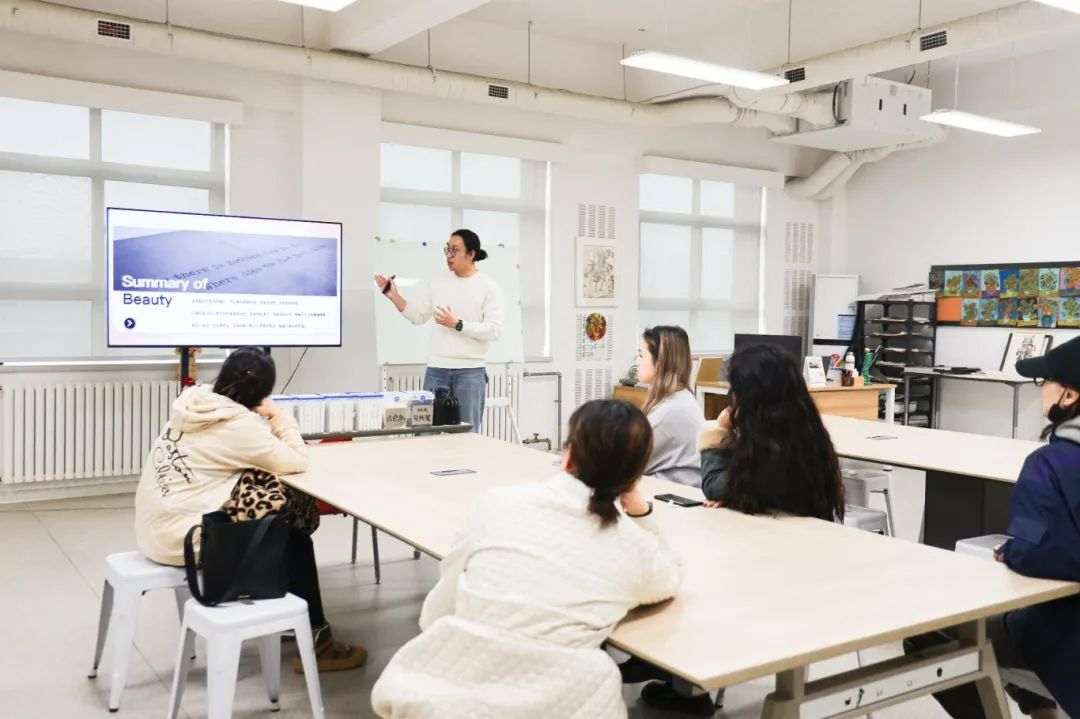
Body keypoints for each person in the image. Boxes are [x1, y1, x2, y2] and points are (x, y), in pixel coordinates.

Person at [370, 399, 682, 718]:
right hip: (561, 698)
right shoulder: (630, 546)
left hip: (453, 697)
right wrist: (643, 514)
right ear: (633, 479)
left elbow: (444, 600)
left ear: (567, 456)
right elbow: (669, 576)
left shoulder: (498, 503)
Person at [622, 343, 845, 716]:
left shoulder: (770, 444)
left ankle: (686, 685)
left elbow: (715, 486)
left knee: (690, 570)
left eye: (736, 391)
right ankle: (668, 664)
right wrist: (739, 495)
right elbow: (741, 492)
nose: (732, 398)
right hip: (777, 552)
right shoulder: (798, 431)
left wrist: (716, 432)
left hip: (788, 574)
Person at [133, 348, 366, 673]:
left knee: (272, 501)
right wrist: (278, 416)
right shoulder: (237, 426)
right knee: (291, 534)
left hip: (155, 528)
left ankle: (291, 615)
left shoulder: (193, 403)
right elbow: (296, 460)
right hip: (184, 540)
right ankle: (318, 640)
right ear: (261, 394)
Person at [905, 336, 1080, 719]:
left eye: (1045, 382)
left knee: (933, 631)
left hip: (1064, 637)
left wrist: (1012, 551)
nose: (1042, 391)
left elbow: (1044, 554)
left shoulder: (1050, 464)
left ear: (1068, 395)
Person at [375, 229, 504, 432]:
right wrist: (394, 296)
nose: (449, 255)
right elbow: (418, 316)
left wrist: (458, 324)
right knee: (427, 432)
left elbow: (494, 330)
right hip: (437, 370)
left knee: (466, 435)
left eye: (455, 250)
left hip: (470, 372)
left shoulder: (489, 287)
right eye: (447, 249)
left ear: (471, 254)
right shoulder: (437, 280)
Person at [637, 326, 707, 487]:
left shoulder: (670, 411)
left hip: (674, 497)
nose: (637, 361)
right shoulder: (678, 399)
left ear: (660, 362)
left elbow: (629, 462)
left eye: (641, 355)